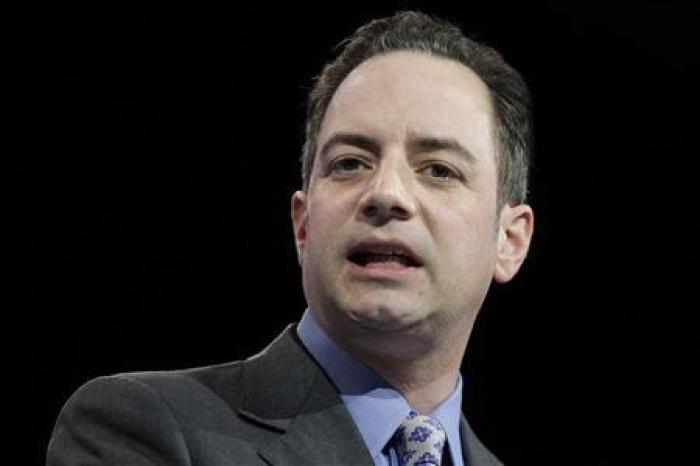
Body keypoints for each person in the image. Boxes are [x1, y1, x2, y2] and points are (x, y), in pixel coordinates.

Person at [47, 10, 534, 466]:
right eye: (350, 163)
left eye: (438, 170)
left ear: (509, 240)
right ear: (303, 226)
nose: (385, 193)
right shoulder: (141, 427)